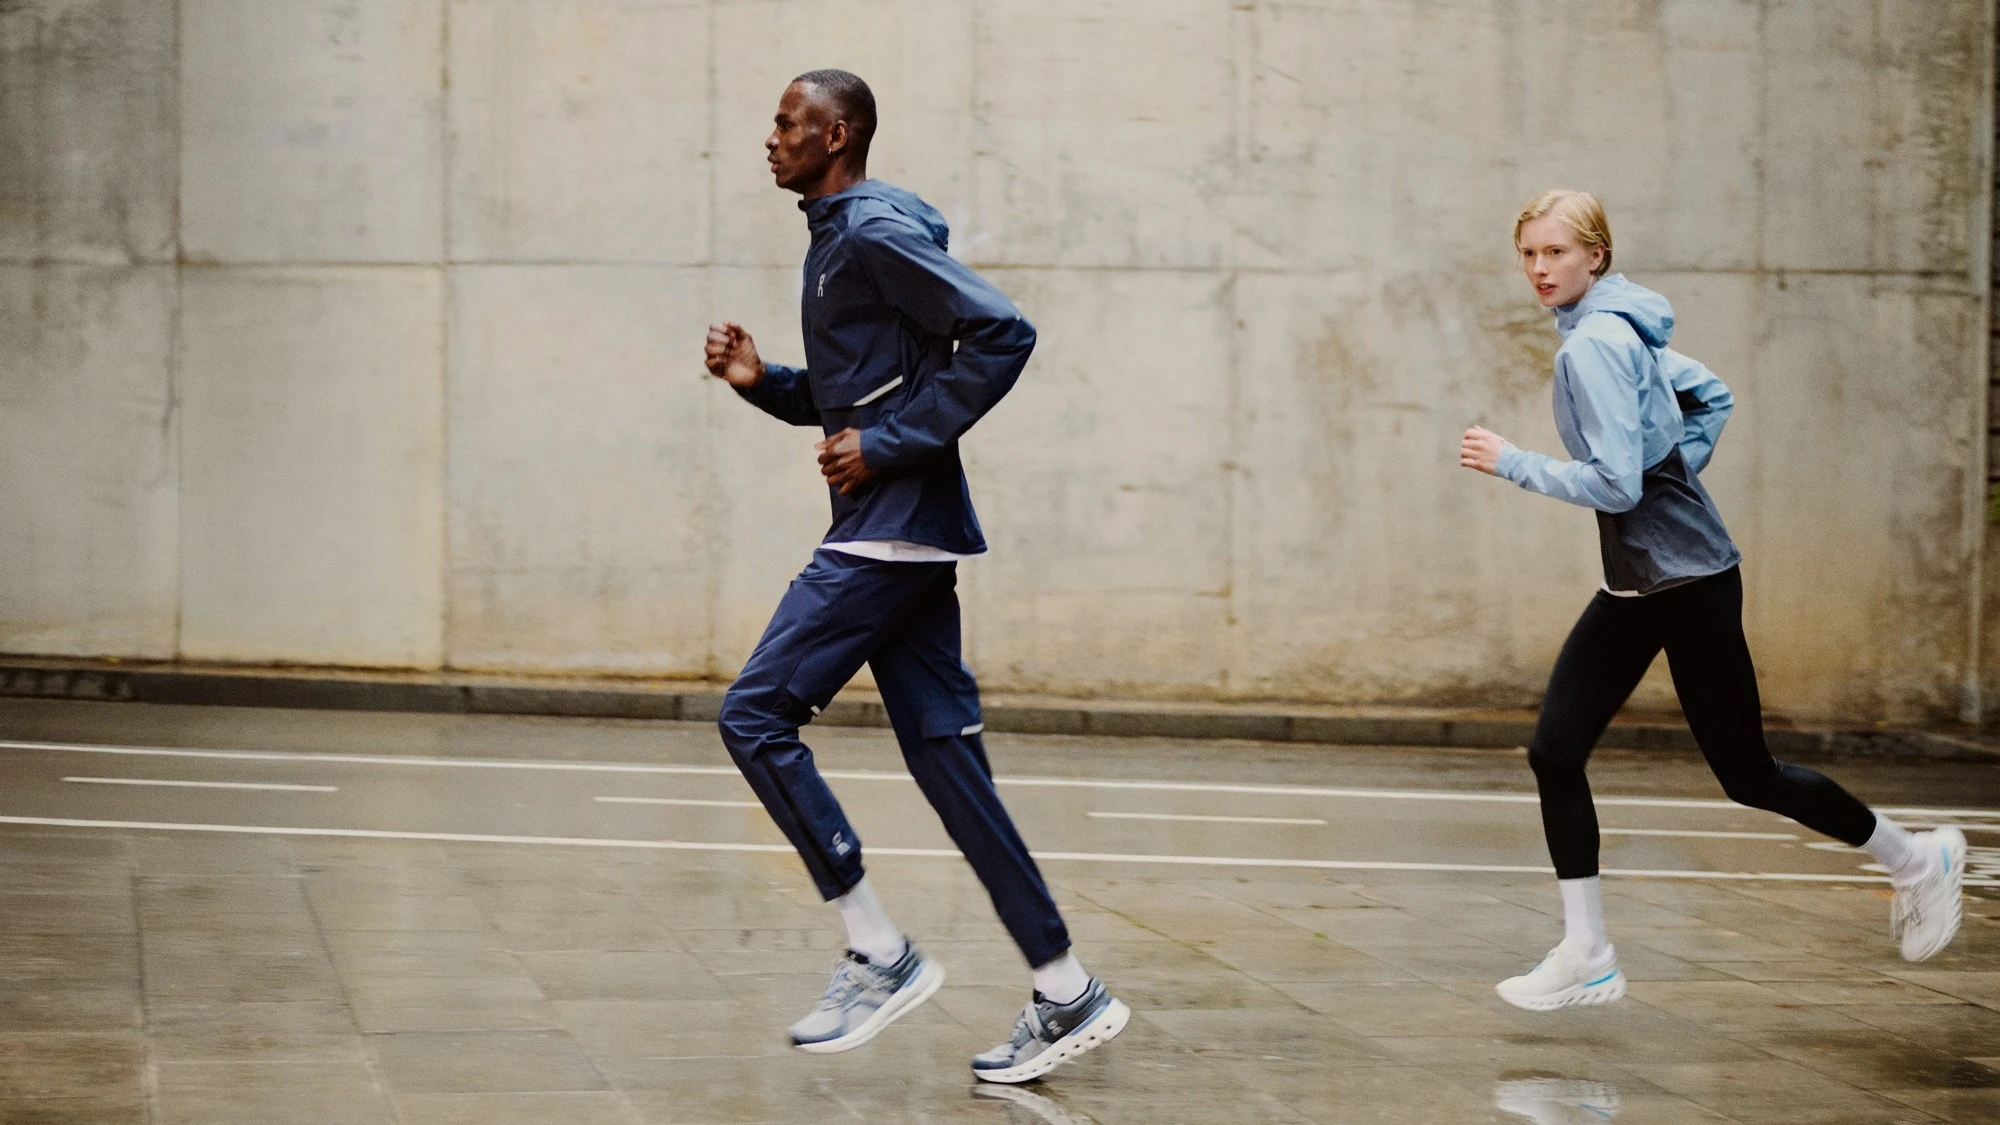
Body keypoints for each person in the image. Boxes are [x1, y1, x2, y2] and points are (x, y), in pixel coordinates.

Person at [701, 69, 1128, 1082]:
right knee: (949, 769)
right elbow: (856, 395)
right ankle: (1067, 990)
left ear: (835, 133)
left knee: (753, 716)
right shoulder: (838, 235)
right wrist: (764, 384)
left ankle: (879, 952)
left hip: (885, 533)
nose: (769, 138)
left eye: (786, 122)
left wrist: (887, 444)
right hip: (905, 530)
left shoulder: (869, 233)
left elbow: (1001, 332)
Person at [1459, 189, 1966, 1012]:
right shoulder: (1625, 329)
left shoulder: (1594, 345)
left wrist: (1514, 460)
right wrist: (1675, 479)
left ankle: (1918, 860)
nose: (1540, 269)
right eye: (1528, 255)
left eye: (1556, 252)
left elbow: (1618, 485)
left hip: (1684, 585)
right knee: (1558, 751)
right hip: (1649, 580)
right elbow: (1712, 396)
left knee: (1746, 772)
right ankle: (1586, 950)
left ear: (1596, 254)